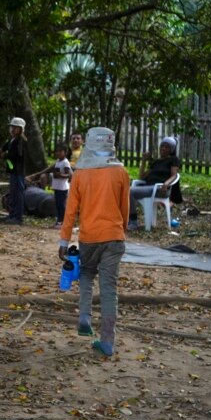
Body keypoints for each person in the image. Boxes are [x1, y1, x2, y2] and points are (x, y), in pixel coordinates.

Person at [58, 127, 130, 357]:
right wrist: (121, 231)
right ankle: (107, 341)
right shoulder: (121, 173)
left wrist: (64, 240)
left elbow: (70, 211)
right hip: (114, 237)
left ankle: (84, 319)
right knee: (109, 289)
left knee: (87, 274)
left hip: (89, 237)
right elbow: (124, 209)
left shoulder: (80, 174)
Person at [127, 136, 181, 230]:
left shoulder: (173, 159)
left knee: (129, 191)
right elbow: (141, 177)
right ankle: (129, 219)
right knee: (126, 191)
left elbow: (174, 175)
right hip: (148, 187)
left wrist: (166, 184)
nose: (163, 148)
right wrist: (144, 161)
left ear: (171, 150)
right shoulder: (156, 162)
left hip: (159, 189)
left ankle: (133, 221)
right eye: (162, 146)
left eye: (167, 147)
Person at [27, 144, 72, 227]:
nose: (58, 153)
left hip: (63, 187)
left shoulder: (65, 162)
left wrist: (60, 175)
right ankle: (59, 220)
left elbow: (69, 175)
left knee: (61, 205)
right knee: (57, 204)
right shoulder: (58, 161)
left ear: (65, 153)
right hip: (58, 187)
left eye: (60, 151)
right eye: (57, 151)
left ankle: (63, 221)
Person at [0, 117, 27, 224]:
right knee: (13, 193)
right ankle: (12, 215)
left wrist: (6, 155)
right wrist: (2, 149)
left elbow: (17, 155)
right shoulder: (12, 139)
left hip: (18, 172)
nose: (13, 129)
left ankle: (18, 217)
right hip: (13, 171)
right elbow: (6, 146)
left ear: (21, 129)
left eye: (16, 127)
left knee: (18, 194)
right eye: (12, 127)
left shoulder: (20, 141)